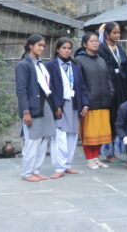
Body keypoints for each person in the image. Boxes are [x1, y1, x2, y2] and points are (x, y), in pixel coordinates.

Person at [15, 34, 57, 181]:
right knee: (32, 140)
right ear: (31, 46)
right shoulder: (24, 65)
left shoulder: (41, 64)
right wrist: (26, 112)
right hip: (32, 108)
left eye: (43, 45)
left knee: (43, 138)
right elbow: (21, 91)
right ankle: (27, 172)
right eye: (39, 45)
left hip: (44, 105)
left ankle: (35, 169)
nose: (42, 48)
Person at [45, 37, 89, 177]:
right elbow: (49, 87)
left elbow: (83, 86)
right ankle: (59, 167)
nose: (66, 50)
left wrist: (85, 103)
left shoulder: (76, 65)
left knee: (72, 134)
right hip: (60, 104)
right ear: (57, 49)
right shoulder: (50, 66)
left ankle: (67, 164)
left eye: (69, 48)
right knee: (60, 135)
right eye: (63, 48)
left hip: (74, 103)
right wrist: (56, 104)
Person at [74, 32, 114, 169]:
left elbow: (108, 77)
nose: (95, 43)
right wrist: (85, 100)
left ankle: (96, 157)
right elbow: (79, 83)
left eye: (97, 41)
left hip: (104, 101)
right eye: (92, 41)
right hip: (89, 102)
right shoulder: (79, 60)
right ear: (85, 44)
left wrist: (111, 91)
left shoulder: (101, 59)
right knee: (89, 133)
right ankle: (89, 158)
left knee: (100, 133)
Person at [97, 22, 127, 162]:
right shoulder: (102, 49)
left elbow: (125, 66)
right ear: (107, 34)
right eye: (114, 33)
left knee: (119, 117)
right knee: (109, 118)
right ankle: (108, 152)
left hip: (121, 86)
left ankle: (117, 150)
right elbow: (104, 67)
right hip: (110, 87)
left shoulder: (120, 49)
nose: (117, 35)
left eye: (118, 33)